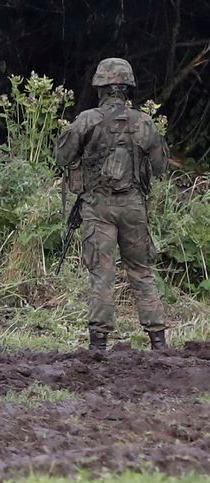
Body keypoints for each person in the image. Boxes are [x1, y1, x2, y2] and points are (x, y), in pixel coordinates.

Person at [54, 58, 169, 351]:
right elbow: (160, 166)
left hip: (98, 205)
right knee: (141, 271)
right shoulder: (144, 122)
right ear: (128, 88)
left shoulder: (88, 120)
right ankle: (158, 340)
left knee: (101, 274)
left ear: (100, 88)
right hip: (133, 205)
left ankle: (98, 345)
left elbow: (62, 156)